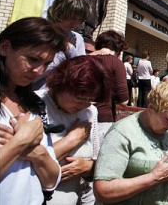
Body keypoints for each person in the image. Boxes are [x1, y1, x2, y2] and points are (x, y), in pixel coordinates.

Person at [0, 17, 66, 204]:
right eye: (33, 59)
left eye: (46, 63)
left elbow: (52, 179)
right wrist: (21, 142)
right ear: (4, 47)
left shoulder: (35, 104)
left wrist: (37, 152)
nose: (39, 71)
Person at [93, 82, 168, 204]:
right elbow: (103, 190)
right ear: (151, 109)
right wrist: (153, 178)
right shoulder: (122, 132)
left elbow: (164, 188)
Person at [35, 55, 111, 204]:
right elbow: (22, 161)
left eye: (90, 100)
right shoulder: (33, 105)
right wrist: (72, 140)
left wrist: (88, 167)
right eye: (80, 98)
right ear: (61, 83)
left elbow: (96, 162)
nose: (84, 105)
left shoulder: (90, 112)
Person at [32, 0, 91, 90]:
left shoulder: (76, 38)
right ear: (60, 10)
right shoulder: (38, 31)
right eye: (72, 17)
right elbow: (31, 72)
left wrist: (70, 49)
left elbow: (81, 70)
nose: (75, 23)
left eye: (80, 20)